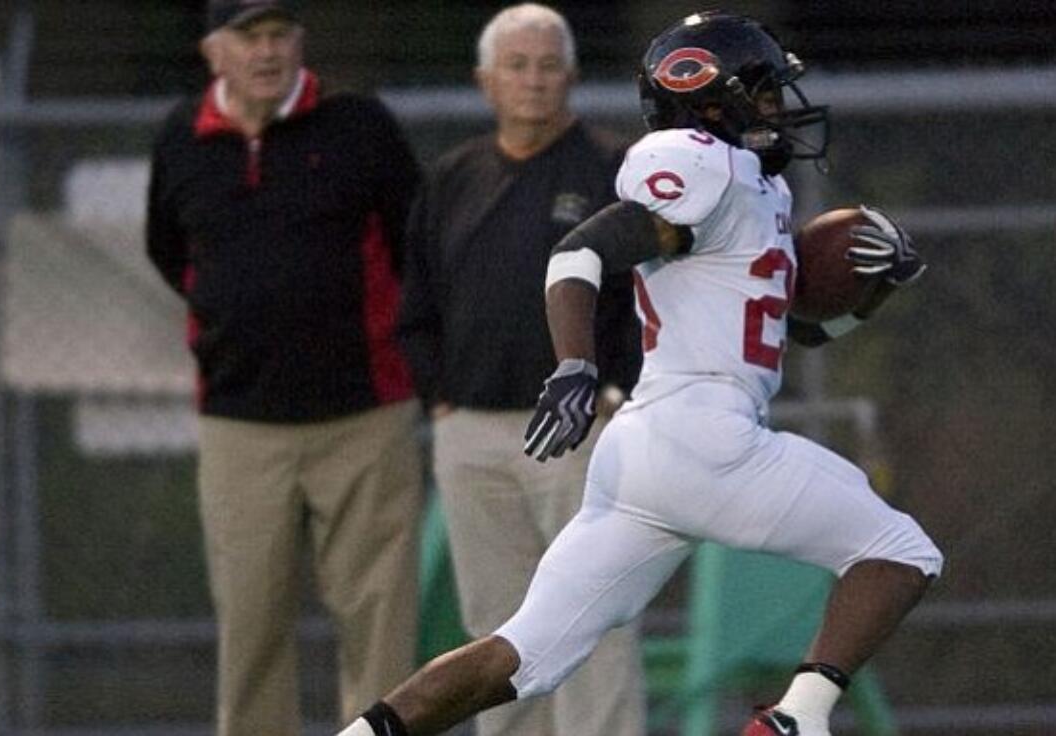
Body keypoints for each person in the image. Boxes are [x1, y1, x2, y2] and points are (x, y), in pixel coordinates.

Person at [338, 11, 943, 736]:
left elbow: (798, 331)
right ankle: (794, 721)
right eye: (765, 91)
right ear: (710, 102)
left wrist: (874, 289)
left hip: (641, 460)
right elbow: (580, 253)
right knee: (901, 551)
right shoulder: (700, 162)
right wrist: (574, 364)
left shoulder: (756, 190)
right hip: (708, 442)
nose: (781, 109)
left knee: (522, 653)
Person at [145, 1, 424, 733]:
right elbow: (171, 253)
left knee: (378, 622)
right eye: (248, 37)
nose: (266, 52)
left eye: (278, 35)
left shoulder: (361, 127)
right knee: (251, 624)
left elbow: (413, 250)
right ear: (214, 52)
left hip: (366, 414)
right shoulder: (180, 138)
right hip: (240, 424)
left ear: (300, 42)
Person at [396, 5, 644, 735]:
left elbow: (647, 292)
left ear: (569, 75)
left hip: (583, 436)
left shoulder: (614, 170)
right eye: (517, 65)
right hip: (472, 435)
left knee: (593, 616)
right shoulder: (452, 178)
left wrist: (618, 388)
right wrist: (438, 397)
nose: (533, 81)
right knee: (496, 626)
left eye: (547, 65)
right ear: (485, 81)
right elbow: (416, 302)